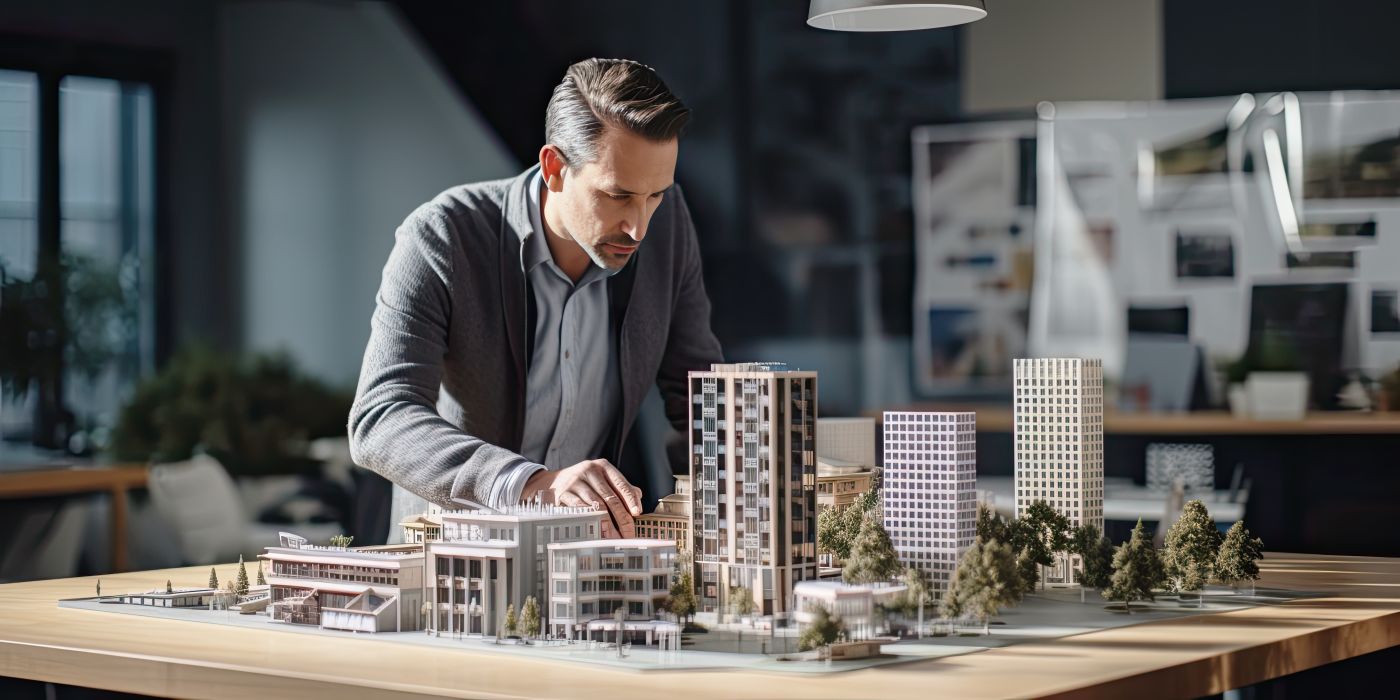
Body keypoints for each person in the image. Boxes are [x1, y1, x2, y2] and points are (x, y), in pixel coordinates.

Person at [349, 58, 723, 539]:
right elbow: (380, 418)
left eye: (655, 196)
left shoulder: (667, 227)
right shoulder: (443, 235)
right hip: (455, 560)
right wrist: (532, 484)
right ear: (554, 168)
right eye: (617, 196)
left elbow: (700, 398)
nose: (639, 228)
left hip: (589, 558)